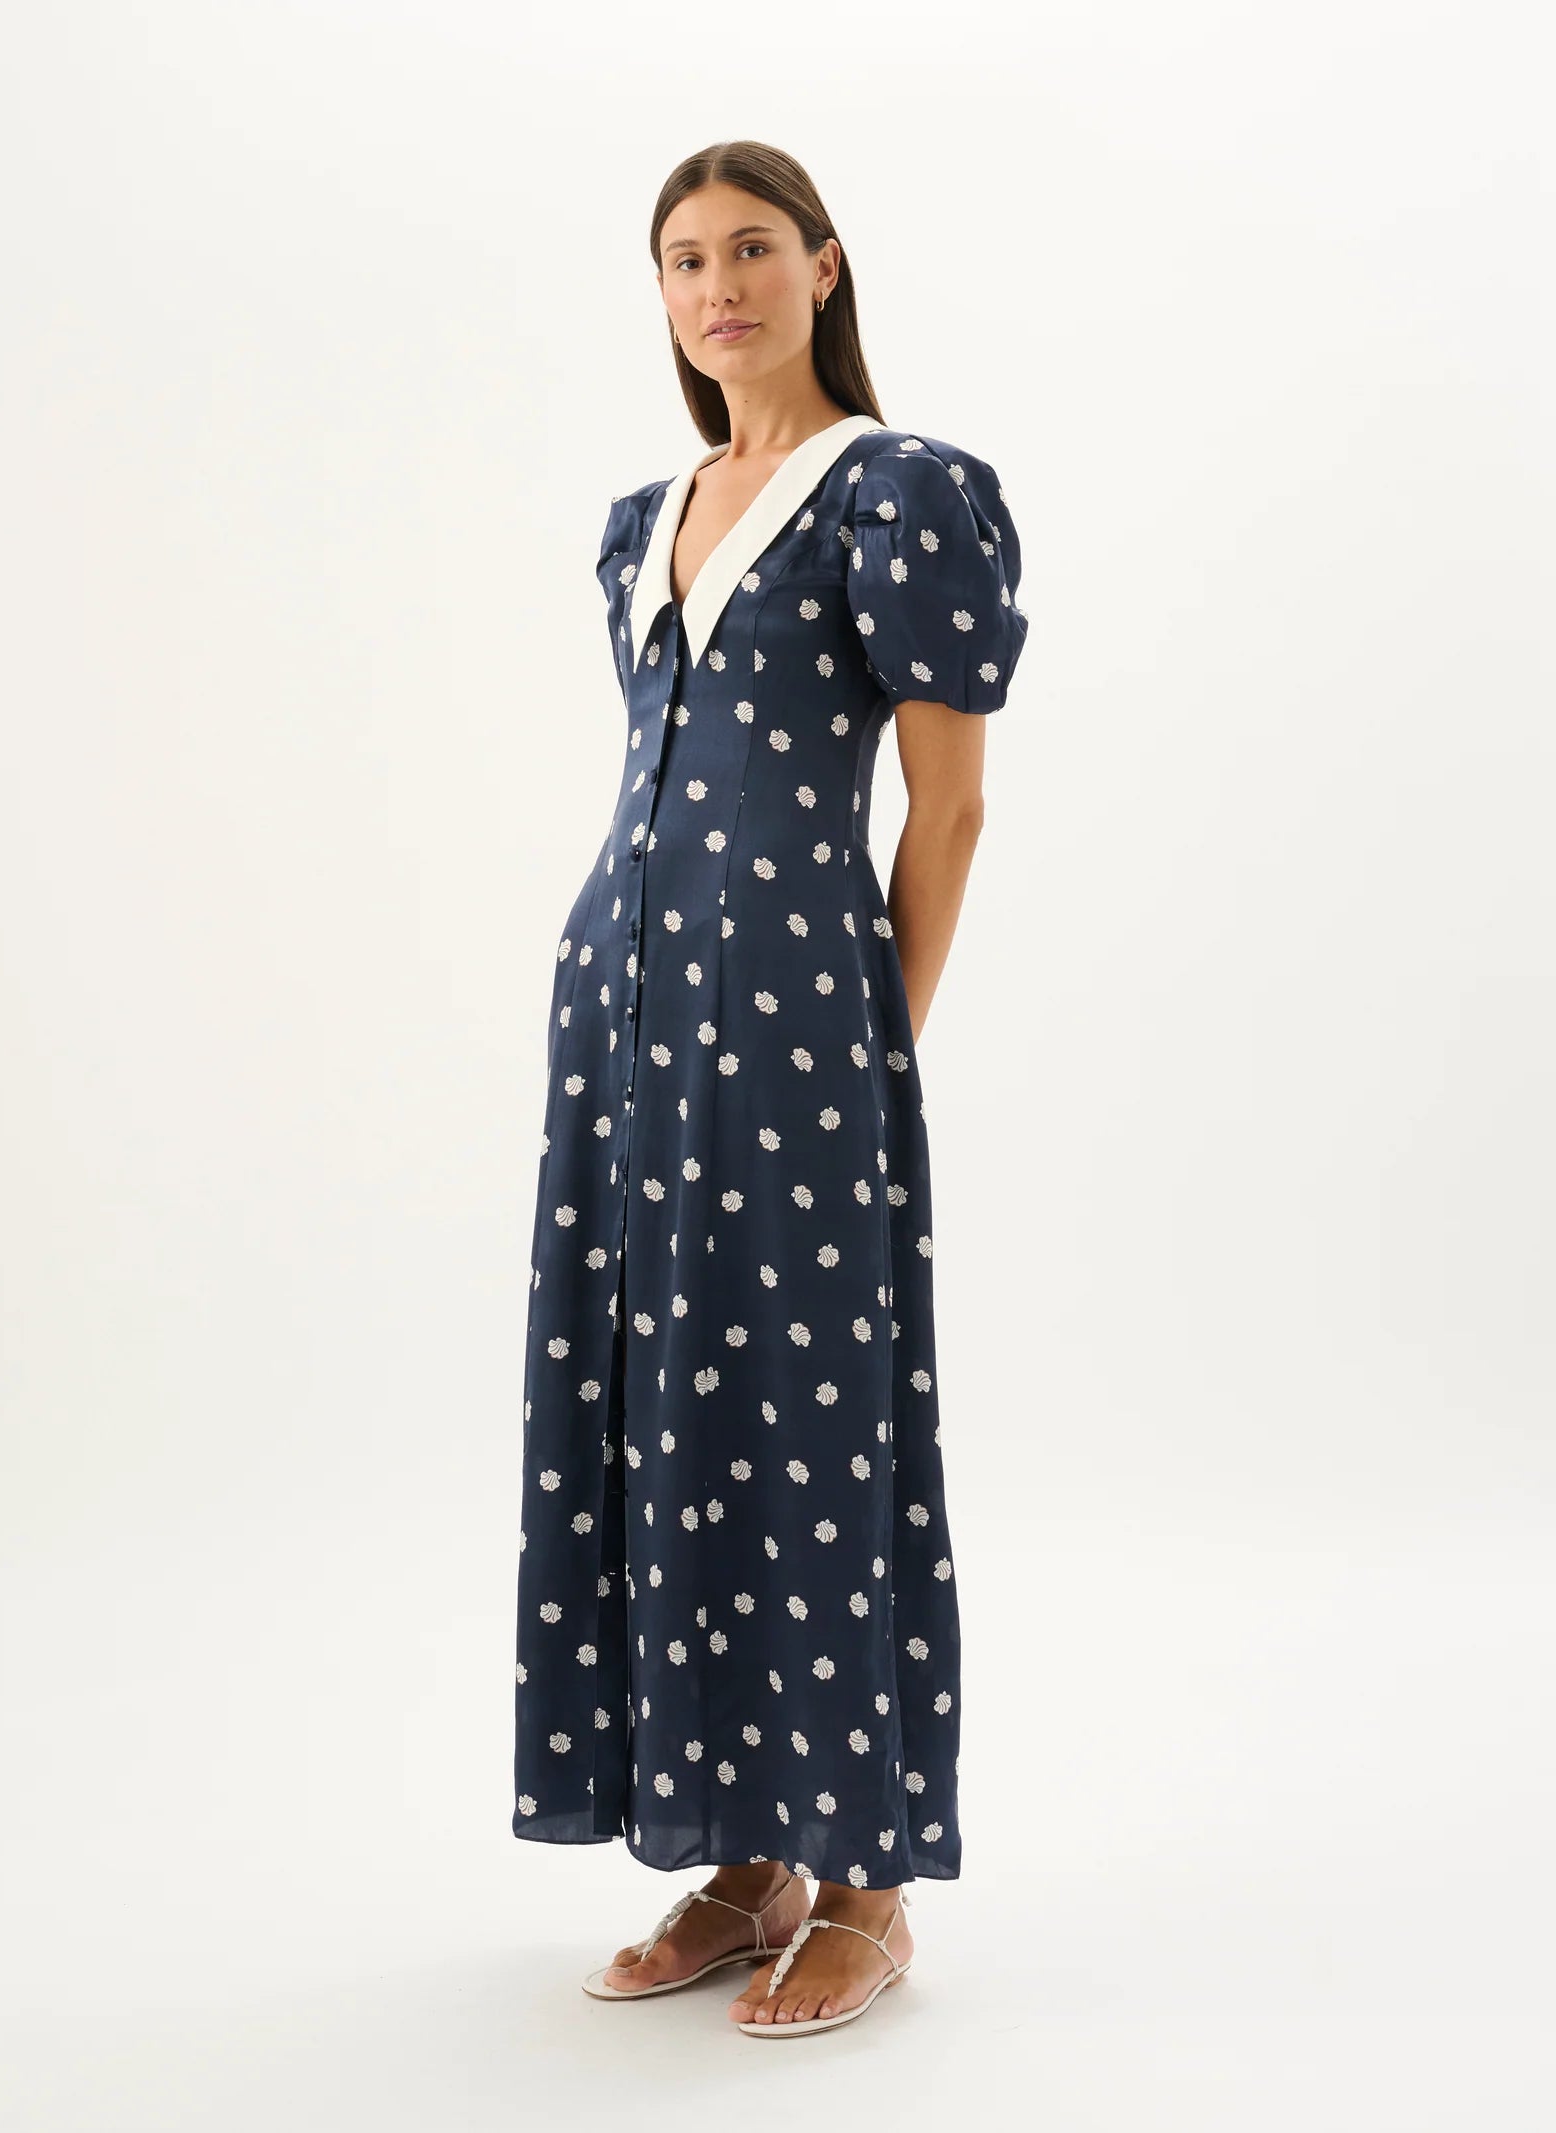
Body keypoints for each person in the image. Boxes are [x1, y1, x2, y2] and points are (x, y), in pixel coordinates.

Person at [511, 140, 1029, 2038]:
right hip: (624, 1025)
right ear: (660, 300)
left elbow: (948, 803)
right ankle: (744, 1852)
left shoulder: (899, 495)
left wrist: (869, 1038)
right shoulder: (645, 511)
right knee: (664, 1411)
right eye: (681, 260)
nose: (716, 285)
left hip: (797, 1036)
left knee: (816, 1432)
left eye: (750, 249)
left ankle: (871, 1881)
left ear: (822, 268)